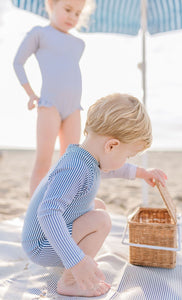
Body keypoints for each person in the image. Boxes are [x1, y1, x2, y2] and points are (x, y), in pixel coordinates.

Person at [21, 93, 167, 297]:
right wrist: (77, 261)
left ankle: (70, 264)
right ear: (111, 146)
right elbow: (48, 213)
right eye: (127, 155)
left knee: (97, 206)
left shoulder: (87, 158)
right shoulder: (76, 168)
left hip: (47, 240)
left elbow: (115, 169)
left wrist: (142, 173)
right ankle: (70, 279)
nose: (126, 160)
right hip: (41, 246)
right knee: (101, 220)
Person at [13, 0, 94, 196]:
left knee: (70, 164)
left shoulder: (78, 44)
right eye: (67, 10)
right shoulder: (40, 34)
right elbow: (18, 63)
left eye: (78, 13)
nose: (72, 17)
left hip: (74, 108)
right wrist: (31, 94)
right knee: (43, 161)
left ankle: (61, 209)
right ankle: (34, 214)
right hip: (49, 104)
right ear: (51, 5)